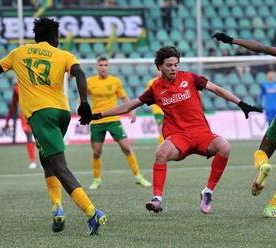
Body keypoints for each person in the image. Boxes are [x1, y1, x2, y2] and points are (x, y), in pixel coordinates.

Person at [89, 46, 262, 214]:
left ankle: (208, 192)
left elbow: (216, 89)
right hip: (179, 137)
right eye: (169, 65)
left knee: (224, 146)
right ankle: (157, 199)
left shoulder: (190, 78)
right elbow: (128, 106)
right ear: (159, 67)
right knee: (161, 152)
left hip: (202, 134)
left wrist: (241, 104)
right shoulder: (155, 88)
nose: (173, 68)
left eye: (176, 64)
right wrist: (97, 115)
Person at [0, 17, 106, 234]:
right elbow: (79, 72)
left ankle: (92, 212)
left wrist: (16, 68)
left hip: (40, 115)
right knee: (48, 161)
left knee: (59, 165)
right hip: (61, 113)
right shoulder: (63, 55)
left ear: (36, 37)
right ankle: (57, 208)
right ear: (54, 38)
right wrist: (84, 103)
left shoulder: (19, 52)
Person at [213, 32, 276, 218]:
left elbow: (263, 48)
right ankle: (272, 206)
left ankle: (263, 165)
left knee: (263, 150)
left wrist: (233, 40)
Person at [87, 57, 151, 189]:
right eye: (100, 65)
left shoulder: (115, 81)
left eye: (105, 65)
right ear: (97, 67)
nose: (103, 67)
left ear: (108, 67)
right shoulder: (90, 82)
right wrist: (81, 108)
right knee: (96, 152)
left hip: (113, 120)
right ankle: (97, 179)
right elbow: (83, 97)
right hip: (97, 121)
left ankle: (138, 176)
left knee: (126, 148)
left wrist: (132, 111)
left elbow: (124, 97)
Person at [4, 82, 38, 169]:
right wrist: (7, 122)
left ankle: (44, 161)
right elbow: (13, 105)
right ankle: (32, 161)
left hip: (37, 111)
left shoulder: (34, 82)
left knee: (40, 136)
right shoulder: (17, 87)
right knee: (29, 134)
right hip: (25, 114)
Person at [145, 72, 164, 144]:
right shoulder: (151, 82)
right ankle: (162, 143)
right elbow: (147, 94)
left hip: (168, 108)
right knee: (161, 127)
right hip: (157, 109)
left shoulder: (168, 80)